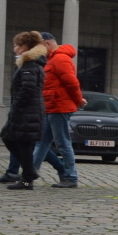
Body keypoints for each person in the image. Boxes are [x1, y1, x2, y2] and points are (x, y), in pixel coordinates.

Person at [31, 31, 85, 189]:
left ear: (47, 44)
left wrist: (78, 99)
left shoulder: (60, 58)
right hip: (52, 106)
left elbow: (71, 82)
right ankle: (30, 173)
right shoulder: (54, 59)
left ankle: (71, 177)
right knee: (42, 142)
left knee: (62, 143)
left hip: (59, 107)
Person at [0, 31, 47, 191]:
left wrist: (17, 106)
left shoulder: (30, 64)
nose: (15, 49)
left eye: (17, 45)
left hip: (27, 111)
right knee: (10, 138)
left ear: (26, 46)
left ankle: (27, 178)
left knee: (23, 143)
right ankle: (29, 172)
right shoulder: (29, 63)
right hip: (27, 110)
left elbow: (28, 87)